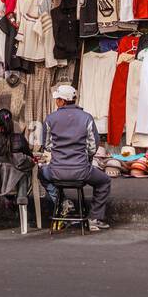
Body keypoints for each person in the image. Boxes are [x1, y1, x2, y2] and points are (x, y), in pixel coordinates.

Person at [38, 84, 112, 232]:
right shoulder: (87, 118)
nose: (56, 102)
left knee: (41, 174)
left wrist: (59, 152)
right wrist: (86, 157)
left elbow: (46, 145)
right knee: (104, 182)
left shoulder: (50, 119)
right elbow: (93, 146)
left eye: (57, 99)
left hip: (55, 171)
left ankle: (64, 202)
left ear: (62, 101)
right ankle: (94, 218)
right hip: (82, 171)